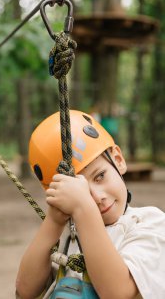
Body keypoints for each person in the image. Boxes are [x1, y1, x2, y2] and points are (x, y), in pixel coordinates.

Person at [16, 110, 165, 299]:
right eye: (82, 191)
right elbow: (26, 291)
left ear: (118, 160)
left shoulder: (152, 224)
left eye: (100, 176)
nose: (96, 197)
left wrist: (82, 207)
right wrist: (53, 222)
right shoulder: (73, 235)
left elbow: (118, 293)